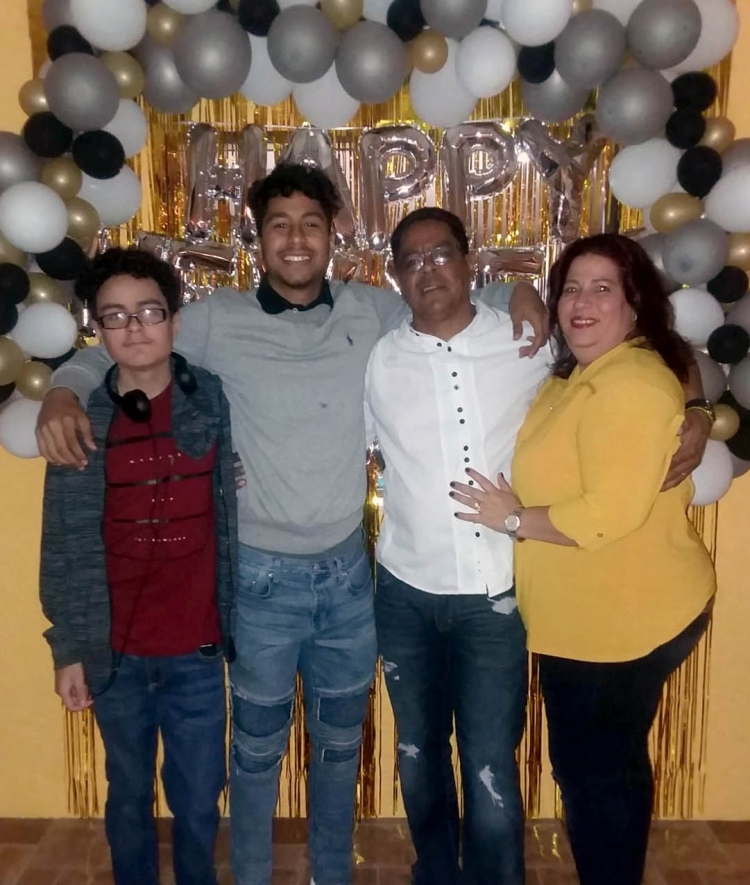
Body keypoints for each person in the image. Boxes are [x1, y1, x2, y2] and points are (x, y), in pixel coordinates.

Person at [34, 164, 549, 885]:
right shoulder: (216, 319)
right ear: (258, 237)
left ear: (333, 234)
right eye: (279, 223)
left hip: (347, 580)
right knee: (255, 751)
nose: (297, 237)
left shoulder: (373, 309)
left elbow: (450, 298)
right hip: (260, 581)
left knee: (341, 747)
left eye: (311, 221)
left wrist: (519, 289)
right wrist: (62, 391)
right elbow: (122, 345)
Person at [449, 233, 716, 885]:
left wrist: (510, 518)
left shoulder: (630, 382)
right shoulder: (581, 372)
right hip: (591, 615)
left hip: (620, 622)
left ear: (635, 303)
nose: (582, 302)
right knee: (601, 766)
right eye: (571, 287)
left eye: (603, 288)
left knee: (596, 776)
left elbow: (606, 515)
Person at [39, 248, 238, 885]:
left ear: (175, 321)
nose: (135, 328)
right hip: (114, 653)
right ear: (97, 330)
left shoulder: (209, 399)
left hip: (197, 650)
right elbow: (64, 541)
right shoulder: (81, 419)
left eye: (150, 311)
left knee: (199, 798)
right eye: (116, 316)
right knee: (126, 793)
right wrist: (67, 647)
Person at [365, 207, 551, 885]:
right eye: (410, 261)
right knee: (417, 753)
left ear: (470, 261)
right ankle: (435, 873)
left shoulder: (531, 342)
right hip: (405, 593)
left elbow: (625, 360)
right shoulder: (378, 359)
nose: (427, 270)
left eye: (440, 253)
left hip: (495, 596)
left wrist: (693, 411)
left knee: (490, 762)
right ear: (395, 277)